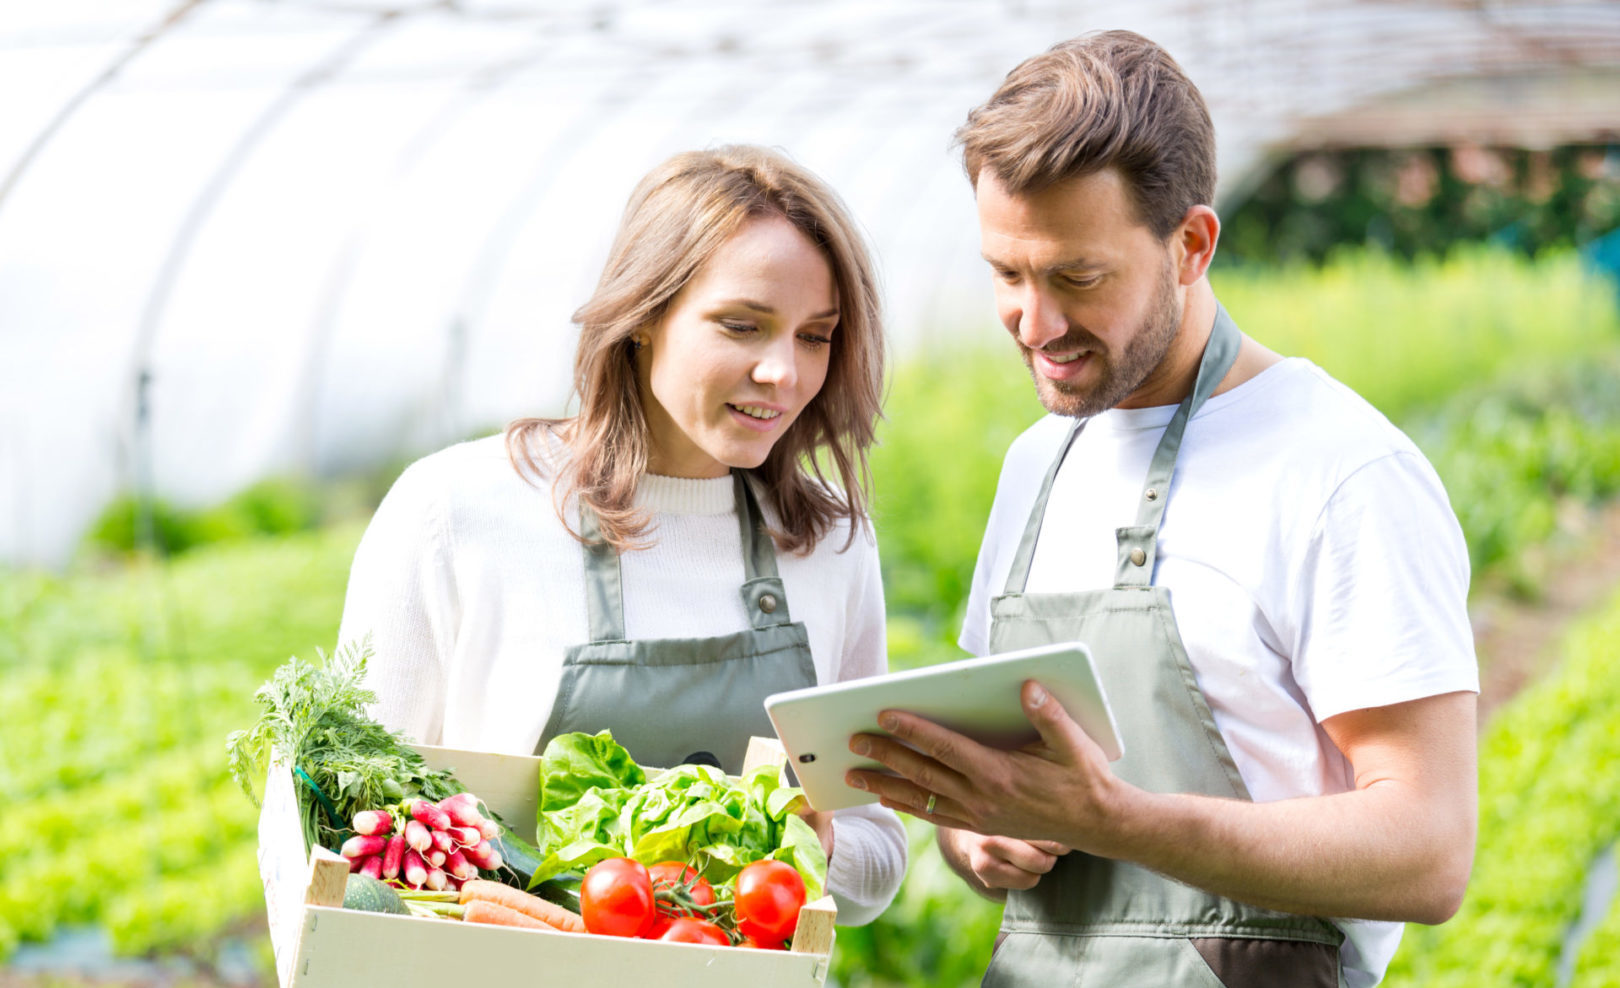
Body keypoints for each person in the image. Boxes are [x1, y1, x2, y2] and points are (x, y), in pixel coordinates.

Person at [844, 31, 1478, 986]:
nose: (1035, 324)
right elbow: (995, 792)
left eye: (1076, 277)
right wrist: (980, 841)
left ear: (1191, 245)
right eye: (1007, 276)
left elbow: (1428, 850)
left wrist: (1114, 821)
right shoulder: (1039, 464)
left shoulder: (1340, 473)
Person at [337, 144, 906, 925]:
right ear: (643, 317)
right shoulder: (459, 513)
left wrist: (821, 845)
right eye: (743, 326)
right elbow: (350, 830)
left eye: (815, 336)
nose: (785, 372)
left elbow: (878, 849)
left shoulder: (829, 541)